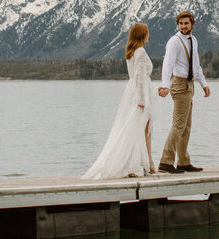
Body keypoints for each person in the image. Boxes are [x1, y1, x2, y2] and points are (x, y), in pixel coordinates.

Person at [83, 23, 158, 179]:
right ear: (143, 35)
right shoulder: (141, 51)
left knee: (136, 127)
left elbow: (137, 77)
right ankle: (142, 164)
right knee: (141, 128)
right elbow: (140, 77)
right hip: (139, 92)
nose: (149, 35)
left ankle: (145, 163)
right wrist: (142, 99)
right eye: (147, 33)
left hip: (132, 91)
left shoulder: (131, 52)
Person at [157, 10, 210, 173]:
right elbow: (168, 63)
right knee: (179, 125)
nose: (183, 26)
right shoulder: (174, 41)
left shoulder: (193, 40)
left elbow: (196, 65)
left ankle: (183, 162)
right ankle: (166, 161)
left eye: (186, 23)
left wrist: (203, 84)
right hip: (179, 85)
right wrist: (165, 85)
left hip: (190, 85)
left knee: (186, 126)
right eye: (181, 23)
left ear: (192, 24)